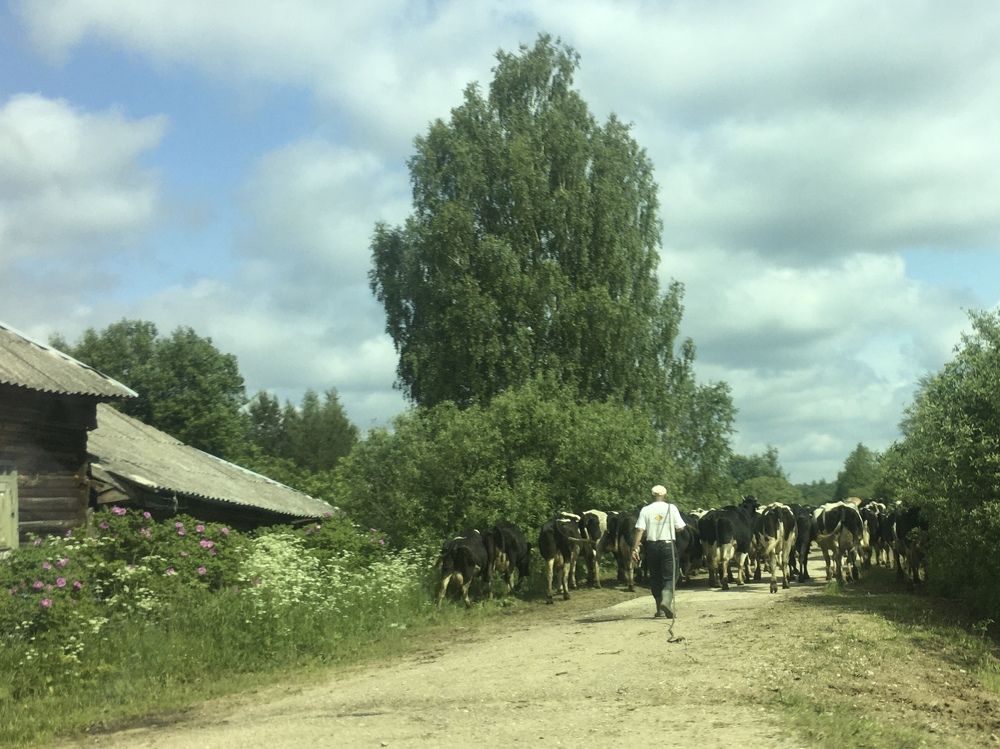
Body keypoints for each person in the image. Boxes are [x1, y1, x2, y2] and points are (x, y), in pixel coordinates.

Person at [632, 484, 686, 619]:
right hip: (668, 545)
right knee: (671, 575)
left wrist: (635, 547)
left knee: (655, 576)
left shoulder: (645, 509)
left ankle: (660, 610)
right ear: (665, 495)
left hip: (652, 547)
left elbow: (639, 529)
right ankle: (666, 601)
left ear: (652, 495)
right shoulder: (671, 508)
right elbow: (680, 528)